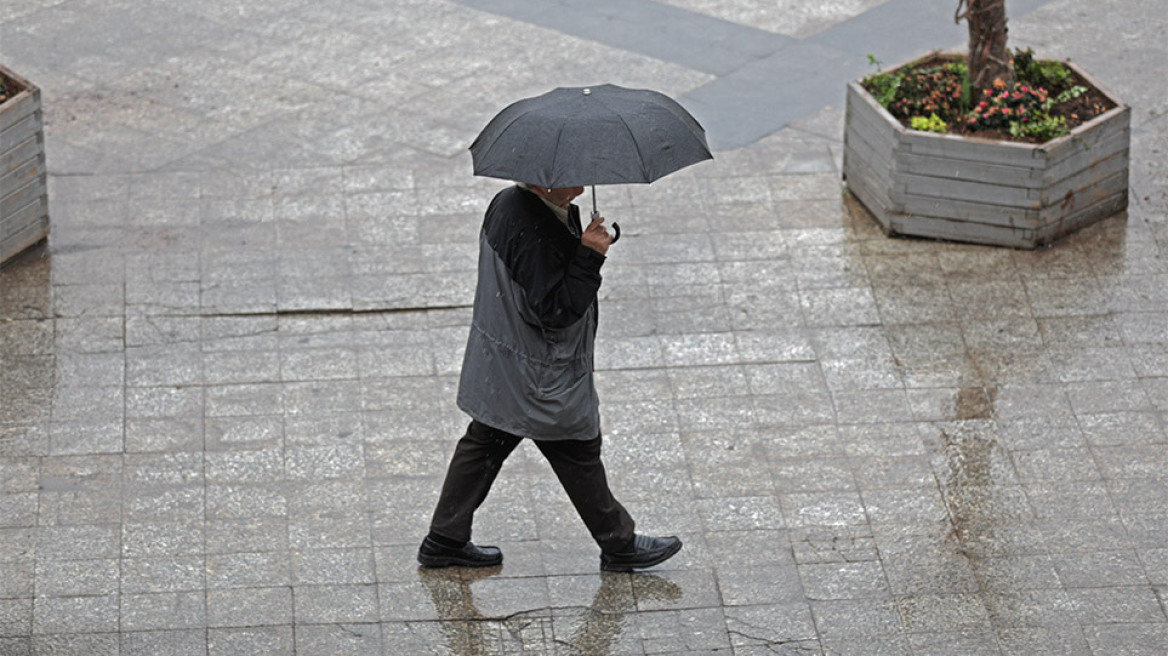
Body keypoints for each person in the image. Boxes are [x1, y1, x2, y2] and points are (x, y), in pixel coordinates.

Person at [417, 182, 682, 572]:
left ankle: (445, 538)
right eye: (572, 176)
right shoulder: (531, 226)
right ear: (545, 180)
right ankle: (619, 543)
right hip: (537, 370)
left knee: (487, 440)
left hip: (508, 360)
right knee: (577, 447)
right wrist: (590, 256)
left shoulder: (513, 203)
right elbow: (557, 309)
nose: (581, 184)